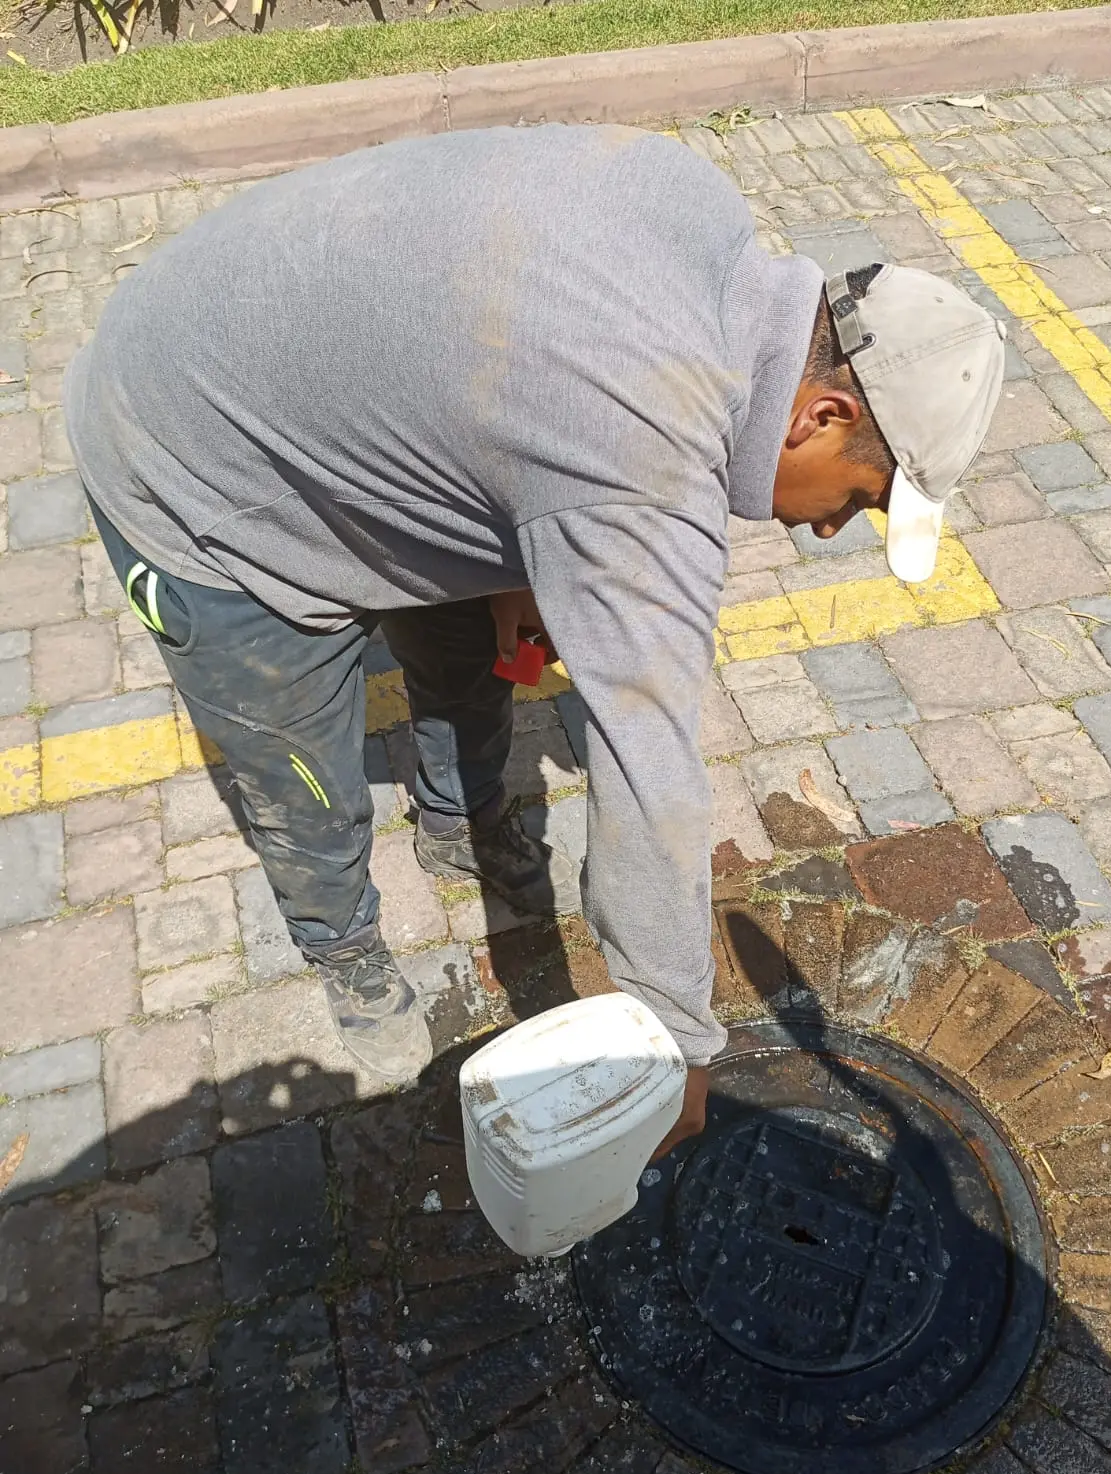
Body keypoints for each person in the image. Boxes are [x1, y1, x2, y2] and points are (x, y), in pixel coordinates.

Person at [64, 123, 1005, 1118]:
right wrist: (675, 1050)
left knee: (473, 648)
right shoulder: (643, 454)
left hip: (312, 365)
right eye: (855, 500)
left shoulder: (701, 210)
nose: (824, 531)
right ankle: (345, 950)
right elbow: (649, 775)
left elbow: (521, 371)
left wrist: (524, 543)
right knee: (294, 762)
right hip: (183, 455)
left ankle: (456, 827)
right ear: (819, 417)